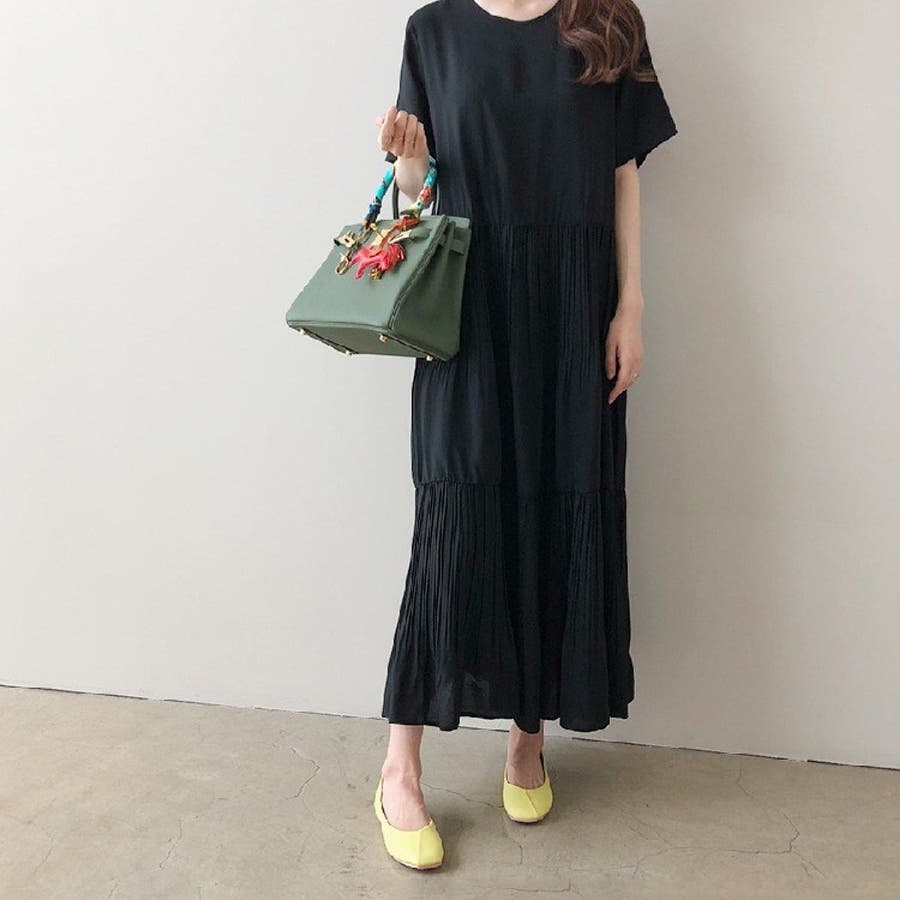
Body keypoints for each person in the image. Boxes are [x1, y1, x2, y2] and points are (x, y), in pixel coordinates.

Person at [370, 0, 677, 870]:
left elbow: (622, 172)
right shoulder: (433, 30)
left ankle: (527, 738)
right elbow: (418, 195)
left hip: (574, 304)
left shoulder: (609, 19)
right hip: (469, 306)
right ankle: (399, 769)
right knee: (452, 520)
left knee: (555, 500)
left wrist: (630, 305)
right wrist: (409, 160)